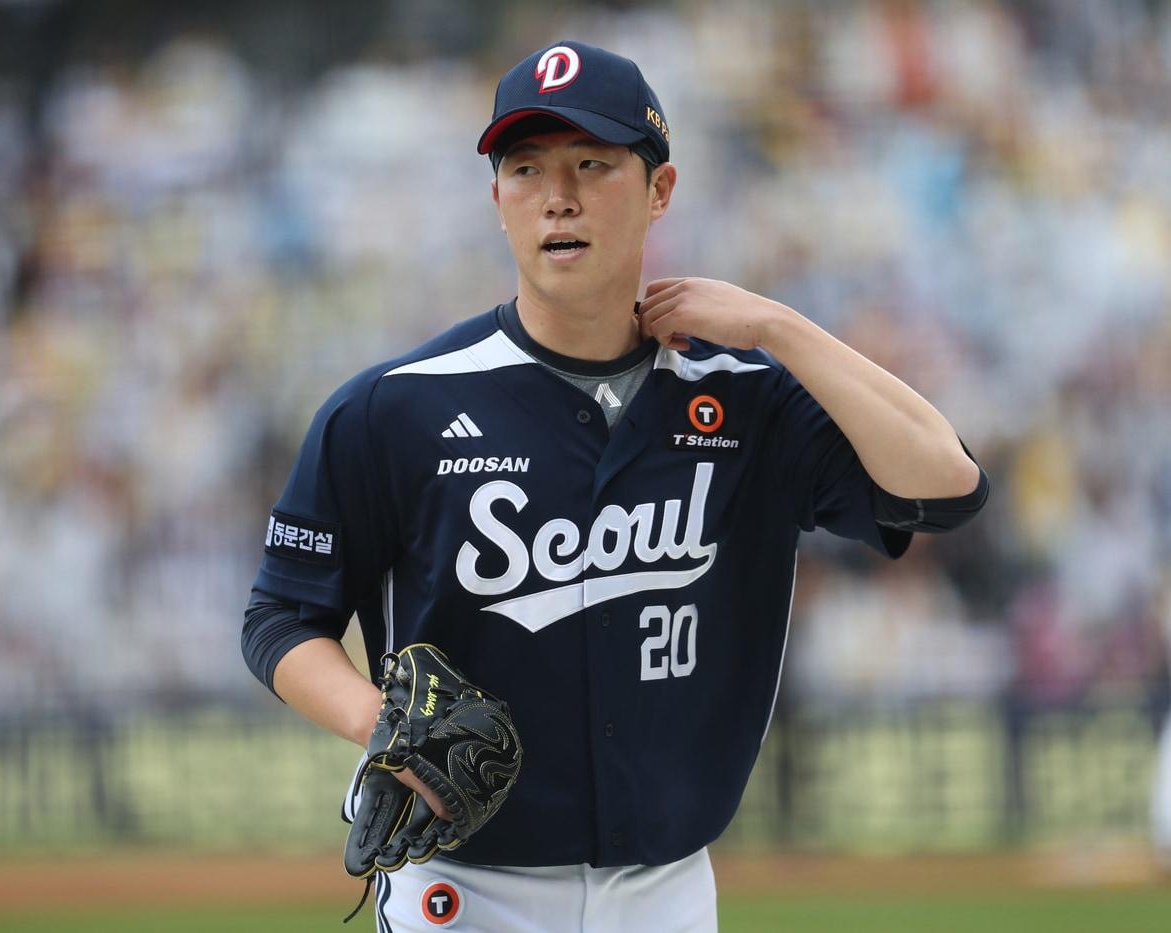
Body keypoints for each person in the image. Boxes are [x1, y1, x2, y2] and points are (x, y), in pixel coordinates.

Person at [243, 39, 988, 932]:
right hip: (465, 892)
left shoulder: (746, 396)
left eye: (591, 164)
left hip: (669, 890)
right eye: (525, 168)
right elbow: (280, 617)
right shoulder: (394, 408)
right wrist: (383, 724)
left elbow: (949, 485)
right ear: (497, 201)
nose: (557, 196)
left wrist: (779, 327)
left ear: (660, 189)